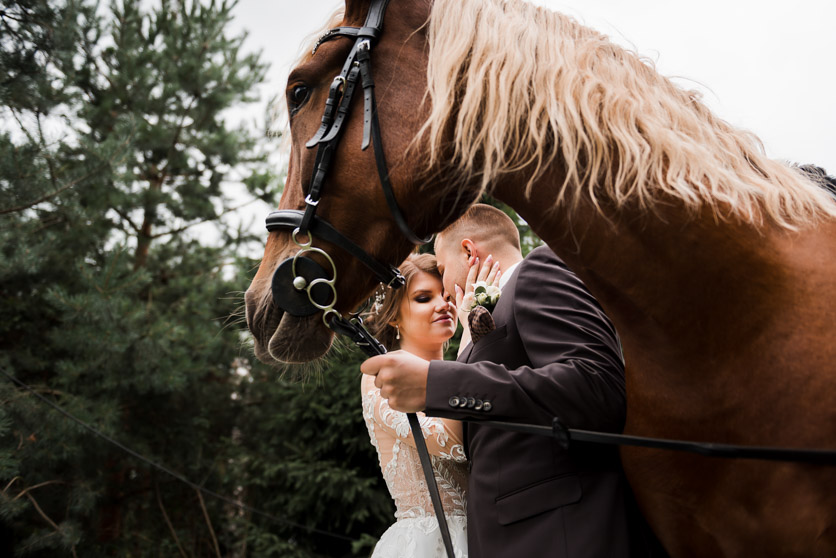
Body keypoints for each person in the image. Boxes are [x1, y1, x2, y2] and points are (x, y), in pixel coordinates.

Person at [362, 204, 651, 557]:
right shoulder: (490, 316)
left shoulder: (537, 271)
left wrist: (442, 381)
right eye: (425, 296)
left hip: (557, 534)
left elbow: (597, 384)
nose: (448, 299)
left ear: (469, 251)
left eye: (442, 270)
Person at [361, 252, 496, 558]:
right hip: (427, 544)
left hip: (488, 537)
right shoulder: (382, 377)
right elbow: (453, 442)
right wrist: (470, 341)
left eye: (448, 296)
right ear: (394, 316)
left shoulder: (469, 372)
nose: (444, 305)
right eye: (424, 297)